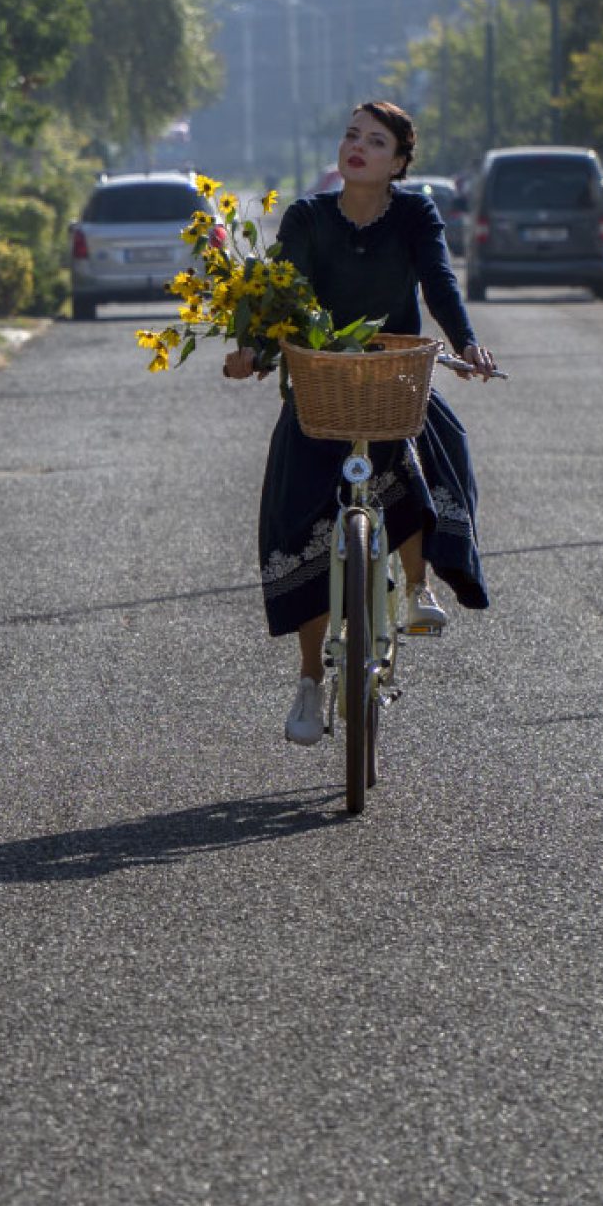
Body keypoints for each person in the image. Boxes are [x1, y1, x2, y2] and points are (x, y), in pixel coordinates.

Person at [223, 100, 498, 745]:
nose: (358, 147)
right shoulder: (308, 216)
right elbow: (281, 296)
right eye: (352, 136)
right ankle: (311, 682)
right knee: (300, 515)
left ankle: (417, 590)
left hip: (393, 377)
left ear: (399, 161)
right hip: (321, 385)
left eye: (376, 141)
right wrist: (253, 351)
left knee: (433, 446)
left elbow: (439, 281)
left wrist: (466, 342)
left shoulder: (415, 213)